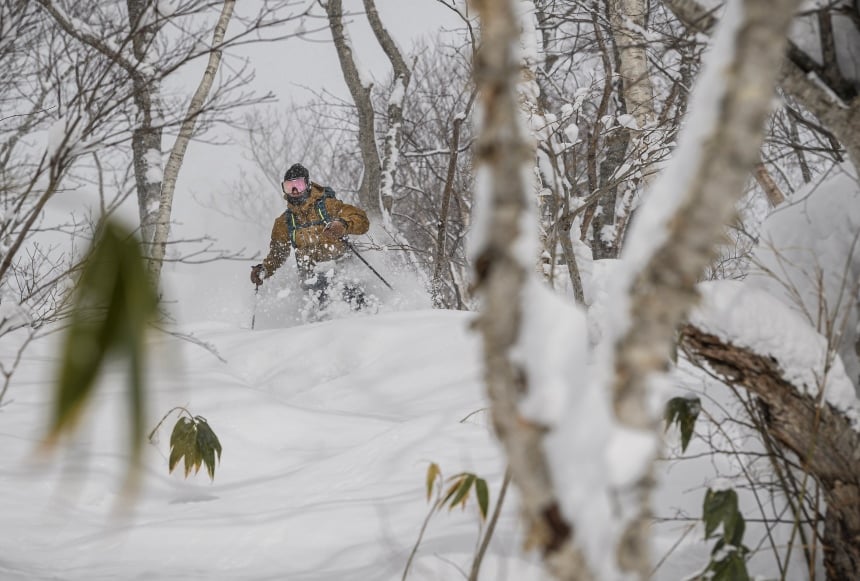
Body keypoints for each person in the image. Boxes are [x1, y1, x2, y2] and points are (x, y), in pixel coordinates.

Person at [250, 163, 370, 310]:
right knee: (322, 315)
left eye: (298, 185)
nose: (294, 191)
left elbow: (362, 221)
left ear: (307, 184)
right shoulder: (284, 222)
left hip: (342, 268)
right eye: (289, 187)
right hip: (312, 277)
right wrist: (265, 269)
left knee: (355, 305)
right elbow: (278, 253)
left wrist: (343, 224)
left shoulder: (328, 206)